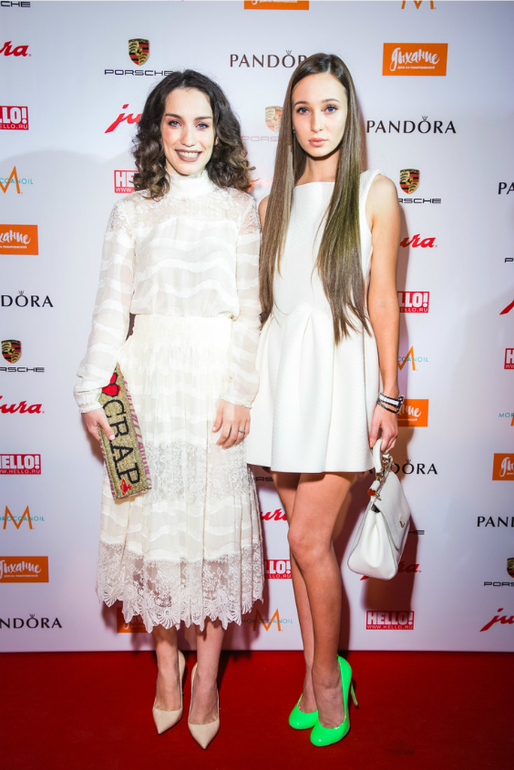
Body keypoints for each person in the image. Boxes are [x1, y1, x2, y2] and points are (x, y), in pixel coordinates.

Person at [74, 70, 263, 749]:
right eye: (175, 122)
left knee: (208, 534)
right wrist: (92, 389)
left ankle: (205, 679)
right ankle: (165, 668)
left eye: (202, 124)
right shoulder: (132, 212)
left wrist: (239, 389)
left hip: (213, 385)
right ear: (158, 129)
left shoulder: (239, 210)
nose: (189, 138)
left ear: (219, 132)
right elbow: (110, 309)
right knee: (155, 532)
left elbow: (250, 313)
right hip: (144, 384)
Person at [246, 53, 401, 747]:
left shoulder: (373, 192)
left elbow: (384, 301)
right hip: (283, 382)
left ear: (350, 114)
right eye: (303, 109)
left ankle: (329, 680)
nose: (316, 122)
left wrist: (390, 399)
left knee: (308, 541)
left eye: (330, 108)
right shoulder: (270, 206)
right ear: (289, 120)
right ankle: (315, 674)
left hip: (342, 382)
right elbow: (268, 310)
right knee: (302, 545)